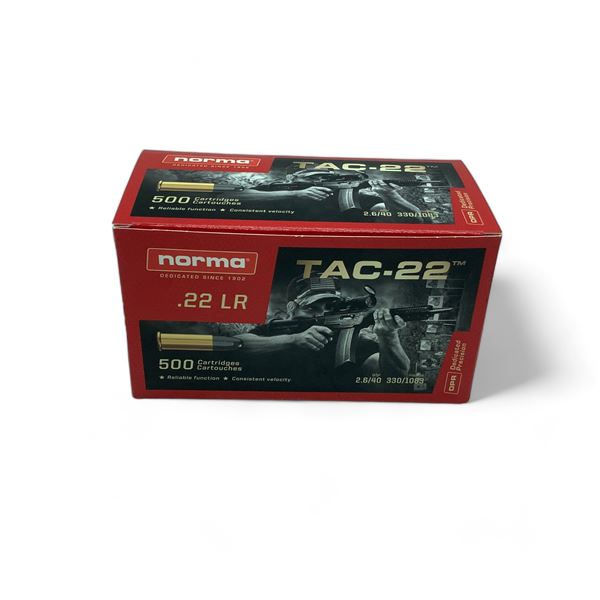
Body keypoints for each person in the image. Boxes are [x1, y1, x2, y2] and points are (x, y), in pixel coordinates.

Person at [235, 275, 411, 389]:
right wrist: (294, 339)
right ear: (291, 308)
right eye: (311, 308)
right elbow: (236, 344)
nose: (320, 315)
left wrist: (389, 337)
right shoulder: (277, 331)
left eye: (329, 308)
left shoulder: (350, 339)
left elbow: (397, 375)